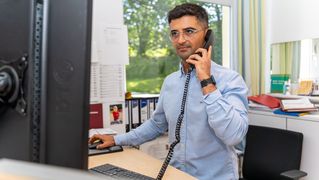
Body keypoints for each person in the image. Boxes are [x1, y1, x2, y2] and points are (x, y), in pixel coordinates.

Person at [89, 3, 248, 180]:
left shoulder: (230, 79)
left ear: (207, 35)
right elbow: (157, 124)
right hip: (176, 175)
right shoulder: (171, 82)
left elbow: (234, 135)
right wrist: (117, 140)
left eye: (189, 31)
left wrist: (206, 81)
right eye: (174, 33)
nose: (180, 40)